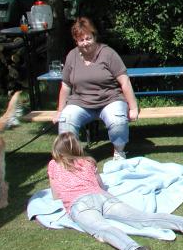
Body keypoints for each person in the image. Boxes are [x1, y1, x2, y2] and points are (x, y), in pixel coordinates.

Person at [47, 132, 183, 250]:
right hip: (102, 197)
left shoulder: (54, 165)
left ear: (57, 151)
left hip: (79, 204)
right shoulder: (87, 162)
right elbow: (100, 185)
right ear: (77, 148)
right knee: (143, 218)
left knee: (102, 228)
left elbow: (56, 194)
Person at [53, 17, 138, 161]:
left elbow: (125, 81)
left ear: (94, 36)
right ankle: (71, 158)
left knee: (117, 121)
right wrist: (60, 111)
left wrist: (133, 108)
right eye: (81, 40)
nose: (85, 43)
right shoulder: (72, 56)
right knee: (65, 120)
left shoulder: (108, 53)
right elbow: (66, 86)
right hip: (80, 102)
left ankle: (119, 151)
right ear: (76, 41)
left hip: (110, 100)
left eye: (88, 38)